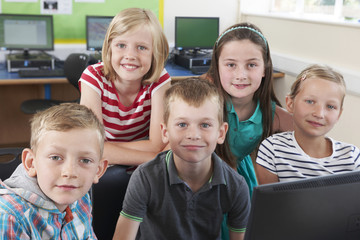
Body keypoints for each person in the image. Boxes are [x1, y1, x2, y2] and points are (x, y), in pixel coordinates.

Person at [112, 78, 250, 240]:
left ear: (221, 133)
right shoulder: (145, 177)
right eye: (182, 124)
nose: (193, 135)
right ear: (165, 132)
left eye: (205, 125)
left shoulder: (236, 186)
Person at [204, 22, 293, 195]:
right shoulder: (203, 104)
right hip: (201, 184)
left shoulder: (272, 114)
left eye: (251, 65)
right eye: (231, 65)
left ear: (265, 69)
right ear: (217, 68)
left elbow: (311, 137)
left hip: (240, 187)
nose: (241, 75)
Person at [0, 103, 108, 239]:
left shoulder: (80, 197)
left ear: (98, 170)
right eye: (56, 157)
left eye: (85, 160)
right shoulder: (9, 218)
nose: (70, 172)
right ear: (31, 163)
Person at [79, 8, 171, 165]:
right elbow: (91, 145)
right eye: (121, 45)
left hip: (127, 161)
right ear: (109, 48)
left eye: (141, 47)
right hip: (122, 161)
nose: (130, 55)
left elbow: (157, 144)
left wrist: (105, 148)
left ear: (154, 53)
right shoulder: (93, 77)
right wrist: (156, 159)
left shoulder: (160, 79)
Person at [256, 64, 360, 184]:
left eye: (330, 106)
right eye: (310, 101)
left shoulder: (352, 157)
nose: (319, 114)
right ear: (290, 104)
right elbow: (270, 201)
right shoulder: (272, 149)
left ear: (339, 114)